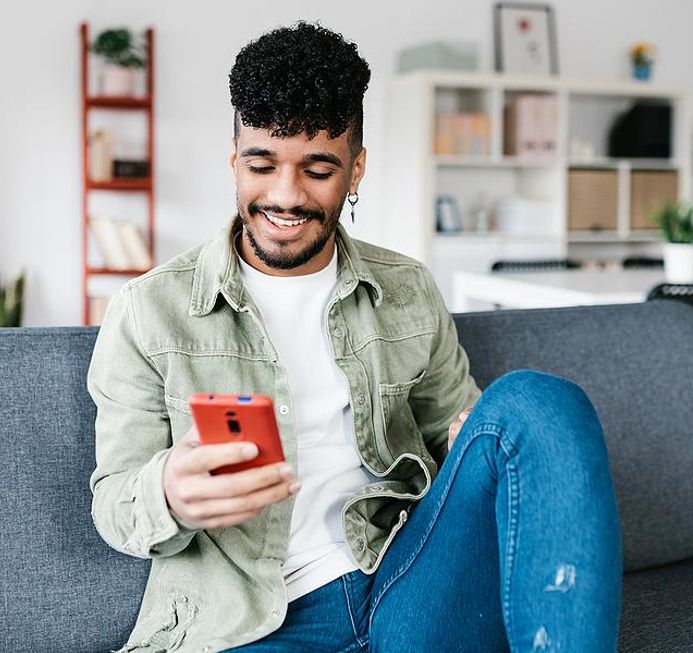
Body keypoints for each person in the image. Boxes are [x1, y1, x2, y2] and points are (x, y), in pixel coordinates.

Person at [88, 22, 621, 653]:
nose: (285, 197)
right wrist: (171, 492)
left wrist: (466, 439)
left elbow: (456, 428)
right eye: (262, 166)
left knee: (537, 401)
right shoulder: (150, 311)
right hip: (254, 624)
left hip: (407, 580)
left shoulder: (408, 290)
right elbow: (115, 504)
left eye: (317, 170)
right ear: (234, 162)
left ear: (356, 169)